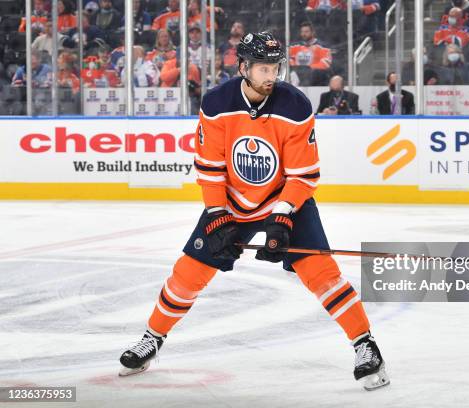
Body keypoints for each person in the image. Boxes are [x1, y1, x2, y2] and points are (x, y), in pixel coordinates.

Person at [118, 31, 389, 391]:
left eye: (275, 67)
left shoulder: (294, 105)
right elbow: (211, 171)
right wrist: (218, 216)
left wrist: (281, 218)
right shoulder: (216, 103)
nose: (271, 75)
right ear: (244, 67)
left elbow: (303, 175)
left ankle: (366, 346)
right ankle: (152, 338)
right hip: (231, 201)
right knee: (188, 273)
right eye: (263, 68)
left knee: (321, 272)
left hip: (285, 199)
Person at [289, 22, 332, 86]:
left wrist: (308, 68)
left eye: (306, 32)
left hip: (316, 80)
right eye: (302, 32)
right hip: (297, 79)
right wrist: (298, 69)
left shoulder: (322, 46)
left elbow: (326, 63)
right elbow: (288, 60)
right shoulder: (294, 46)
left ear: (313, 32)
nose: (304, 34)